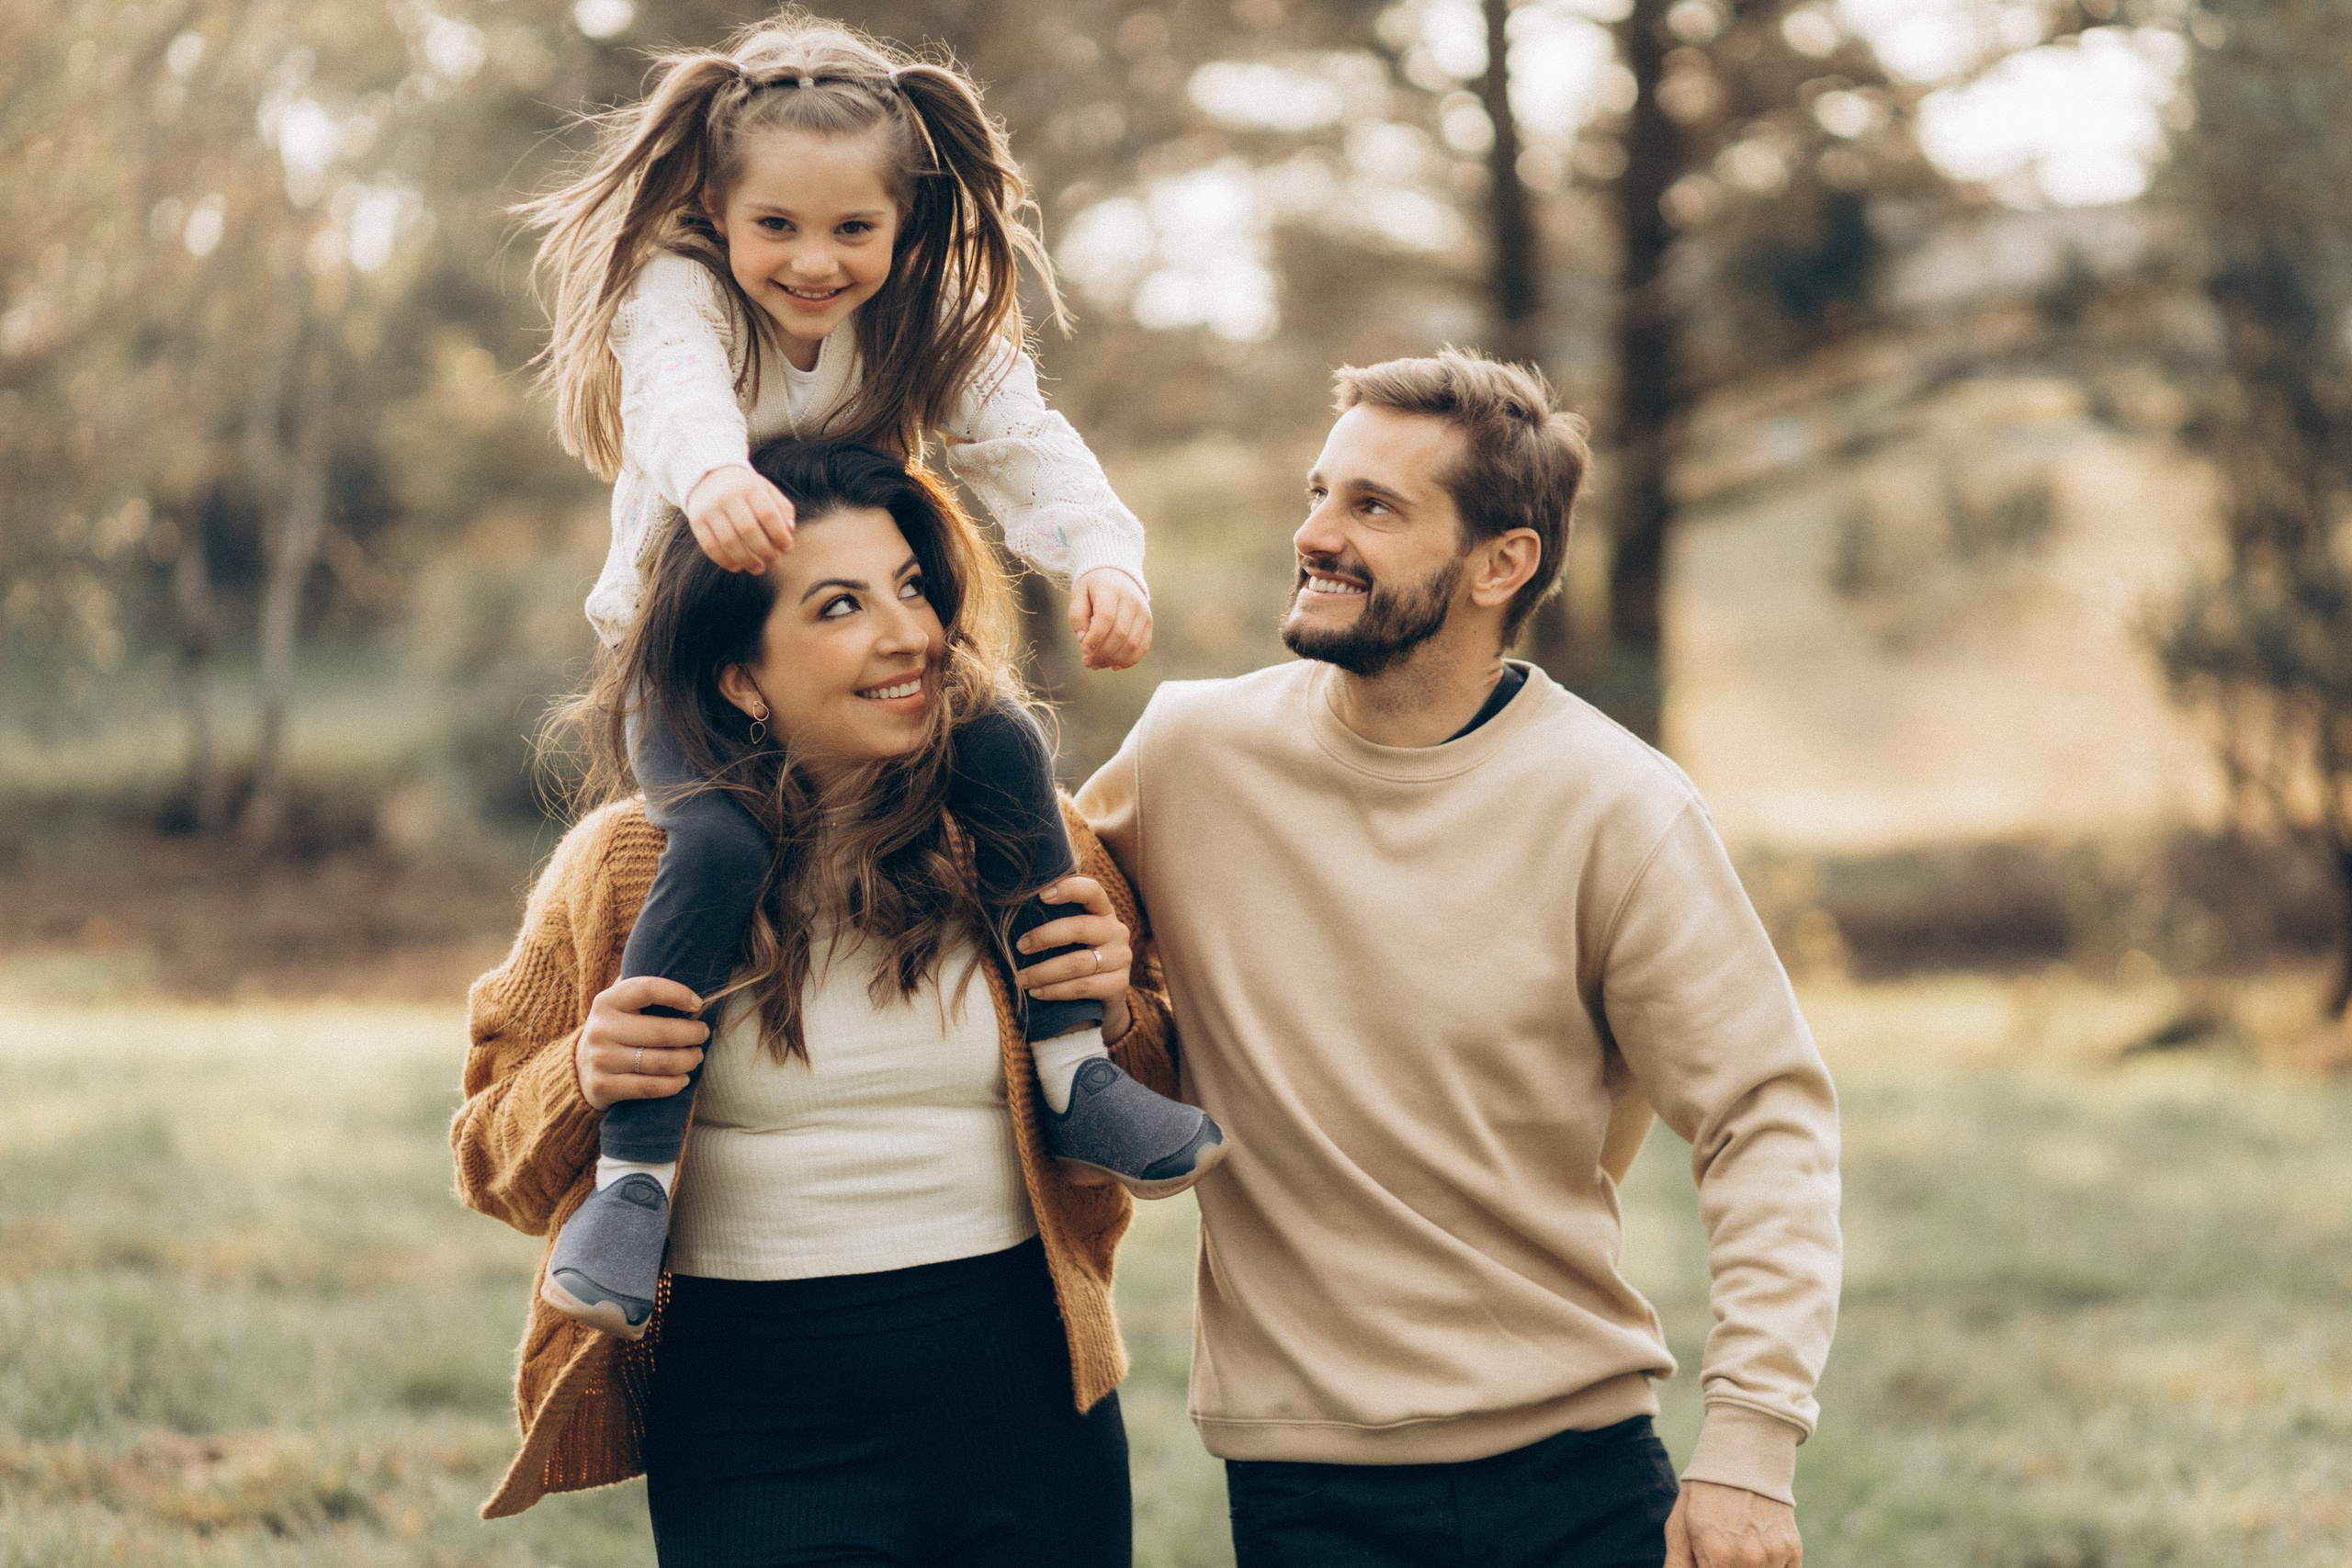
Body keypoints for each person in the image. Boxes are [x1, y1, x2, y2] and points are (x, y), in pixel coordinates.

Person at [514, 14, 1219, 1339]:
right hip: (688, 656)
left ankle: (1074, 1067)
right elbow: (673, 396)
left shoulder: (924, 313)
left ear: (904, 225)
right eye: (776, 224)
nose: (814, 262)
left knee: (1009, 751)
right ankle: (635, 1180)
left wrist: (1103, 558)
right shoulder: (682, 292)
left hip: (862, 636)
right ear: (716, 206)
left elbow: (1023, 438)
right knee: (716, 840)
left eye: (854, 230)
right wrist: (714, 475)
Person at [1077, 350, 1842, 1568]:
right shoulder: (1188, 752)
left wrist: (1750, 1444)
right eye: (1320, 491)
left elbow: (1767, 1115)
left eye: (1374, 507)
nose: (1316, 532)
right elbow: (1018, 897)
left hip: (1574, 1467)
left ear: (1503, 561)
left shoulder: (1617, 805)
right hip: (1303, 1482)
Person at [454, 440, 1169, 1562]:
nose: (910, 636)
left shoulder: (1032, 833)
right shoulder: (628, 867)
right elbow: (490, 1161)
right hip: (753, 1419)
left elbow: (1157, 1099)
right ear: (740, 675)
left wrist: (1117, 1010)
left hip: (1028, 1392)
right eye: (840, 606)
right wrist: (582, 1077)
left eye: (913, 588)